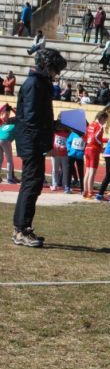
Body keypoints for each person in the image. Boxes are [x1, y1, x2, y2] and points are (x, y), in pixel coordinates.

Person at [12, 48, 67, 247]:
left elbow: (36, 117)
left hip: (33, 140)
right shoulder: (34, 84)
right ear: (45, 66)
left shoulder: (39, 83)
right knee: (31, 184)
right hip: (31, 141)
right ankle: (21, 230)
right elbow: (31, 118)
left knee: (32, 184)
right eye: (54, 70)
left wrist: (54, 125)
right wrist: (48, 130)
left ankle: (21, 228)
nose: (56, 74)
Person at [83, 111, 108, 199]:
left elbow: (85, 136)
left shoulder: (90, 125)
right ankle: (90, 191)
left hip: (87, 148)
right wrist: (101, 145)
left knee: (87, 171)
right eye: (105, 120)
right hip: (94, 150)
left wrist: (89, 142)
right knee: (92, 172)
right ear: (102, 118)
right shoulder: (99, 126)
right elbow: (96, 137)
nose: (105, 122)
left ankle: (85, 191)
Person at [0, 103, 18, 184]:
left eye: (8, 114)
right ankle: (9, 178)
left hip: (0, 138)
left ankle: (11, 177)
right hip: (5, 140)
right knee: (9, 160)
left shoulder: (6, 124)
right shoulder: (15, 124)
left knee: (0, 159)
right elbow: (19, 117)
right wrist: (12, 109)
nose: (7, 116)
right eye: (6, 114)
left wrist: (10, 109)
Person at [50, 123, 70, 191]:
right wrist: (53, 149)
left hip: (65, 154)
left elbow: (69, 143)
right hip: (55, 154)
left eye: (62, 126)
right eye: (59, 125)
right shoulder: (54, 133)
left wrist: (65, 148)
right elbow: (52, 142)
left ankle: (65, 185)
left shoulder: (68, 133)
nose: (60, 127)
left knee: (65, 170)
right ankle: (54, 184)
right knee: (55, 170)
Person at [67, 129, 86, 194]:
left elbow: (86, 144)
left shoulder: (85, 135)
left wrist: (84, 151)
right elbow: (68, 142)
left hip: (80, 156)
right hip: (71, 155)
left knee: (81, 172)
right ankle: (68, 187)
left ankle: (82, 189)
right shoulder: (73, 134)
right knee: (69, 171)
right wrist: (68, 149)